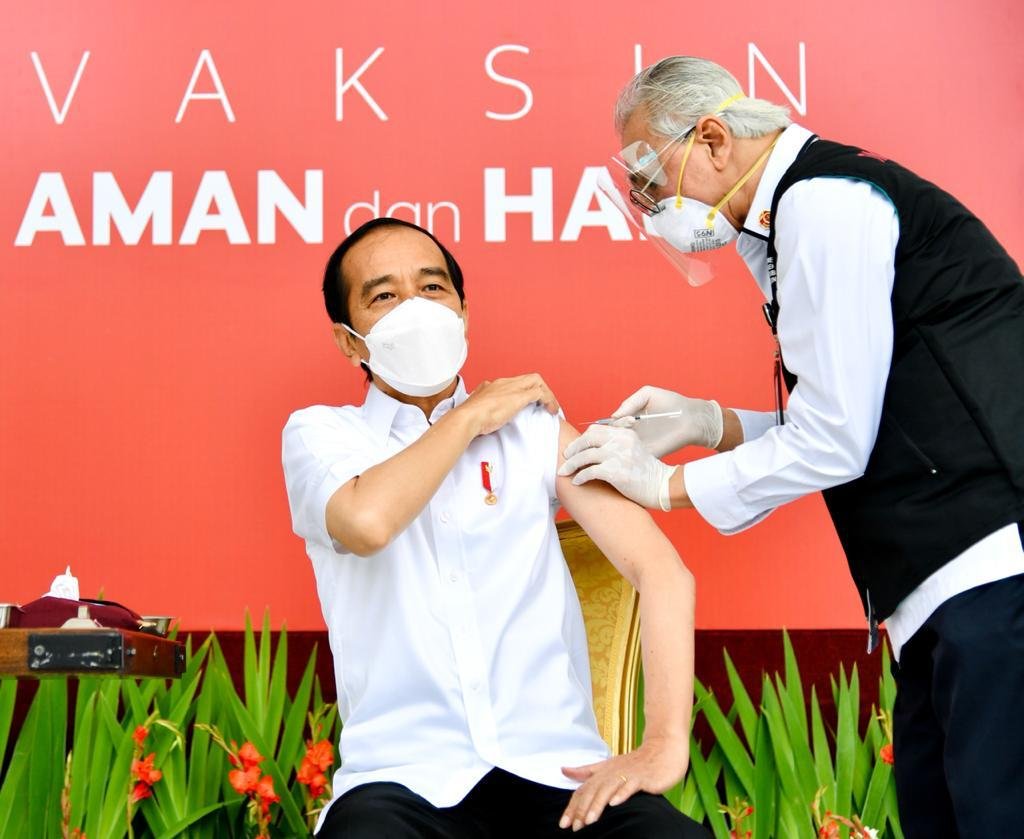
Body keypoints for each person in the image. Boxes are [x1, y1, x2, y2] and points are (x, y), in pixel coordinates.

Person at [560, 56, 1024, 839]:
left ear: (713, 139)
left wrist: (666, 486)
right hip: (938, 593)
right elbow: (865, 416)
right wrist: (709, 423)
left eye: (650, 178)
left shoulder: (824, 202)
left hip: (987, 571)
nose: (650, 206)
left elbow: (836, 440)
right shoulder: (785, 221)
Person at [282, 217, 710, 838]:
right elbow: (367, 524)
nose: (416, 308)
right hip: (401, 785)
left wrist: (664, 743)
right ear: (350, 342)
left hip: (559, 776)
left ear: (464, 315)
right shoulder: (322, 435)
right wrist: (468, 417)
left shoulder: (531, 430)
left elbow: (660, 569)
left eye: (433, 288)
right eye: (385, 295)